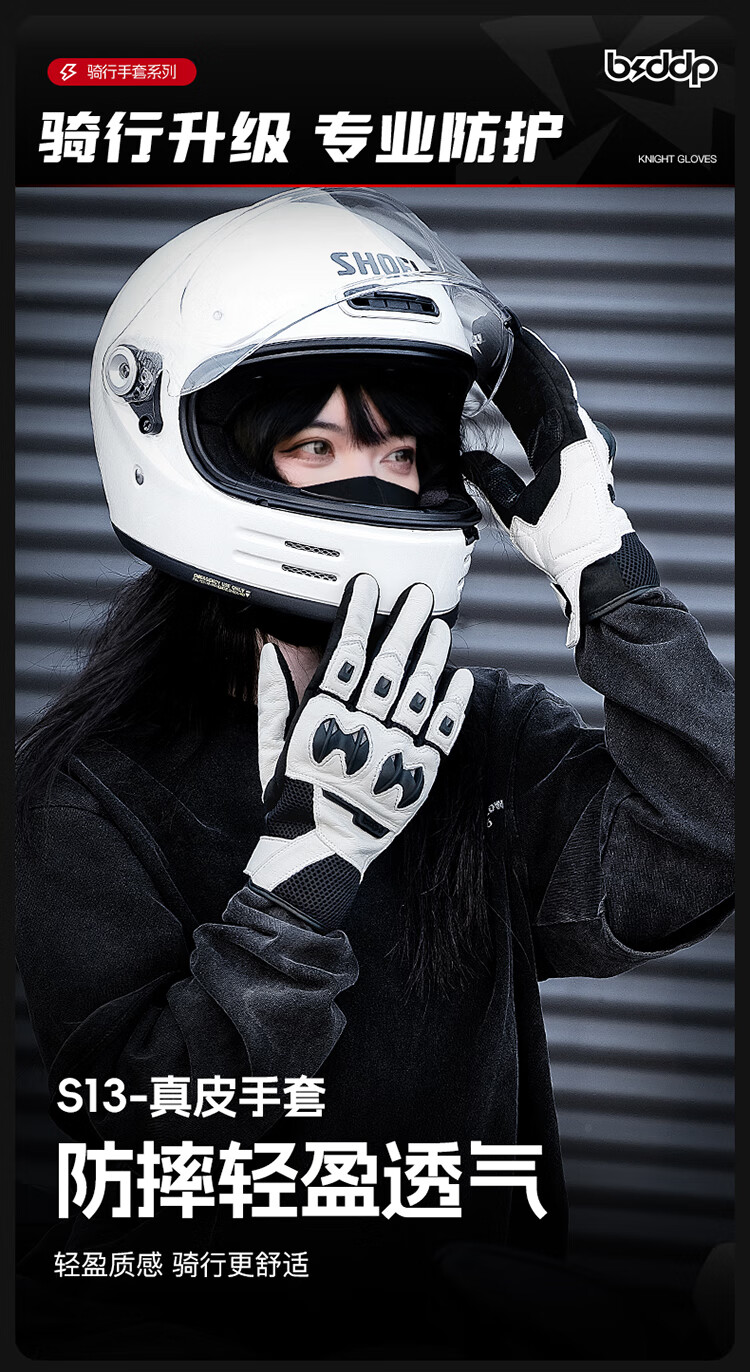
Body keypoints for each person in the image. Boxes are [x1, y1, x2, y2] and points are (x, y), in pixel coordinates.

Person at [15, 188, 734, 1360]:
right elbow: (147, 1149)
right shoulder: (90, 788)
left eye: (401, 451)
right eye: (317, 446)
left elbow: (709, 835)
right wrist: (306, 872)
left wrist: (601, 563)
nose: (378, 481)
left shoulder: (482, 739)